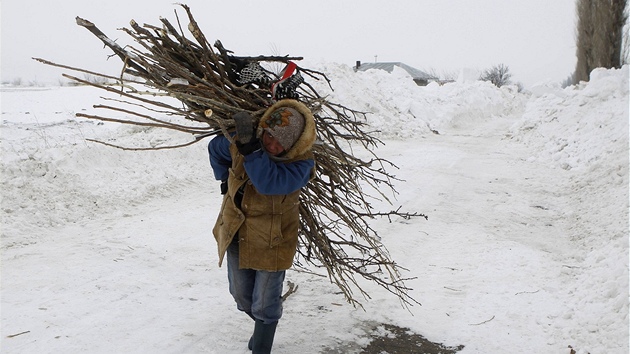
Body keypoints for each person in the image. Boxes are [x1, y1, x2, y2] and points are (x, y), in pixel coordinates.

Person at [207, 99, 316, 353]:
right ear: (263, 130)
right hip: (236, 232)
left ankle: (262, 346)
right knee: (242, 297)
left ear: (293, 145)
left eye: (281, 143)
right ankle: (262, 331)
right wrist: (224, 178)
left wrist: (253, 151)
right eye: (269, 137)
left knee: (265, 305)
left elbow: (269, 183)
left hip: (273, 242)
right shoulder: (243, 142)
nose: (273, 146)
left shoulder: (301, 165)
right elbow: (215, 148)